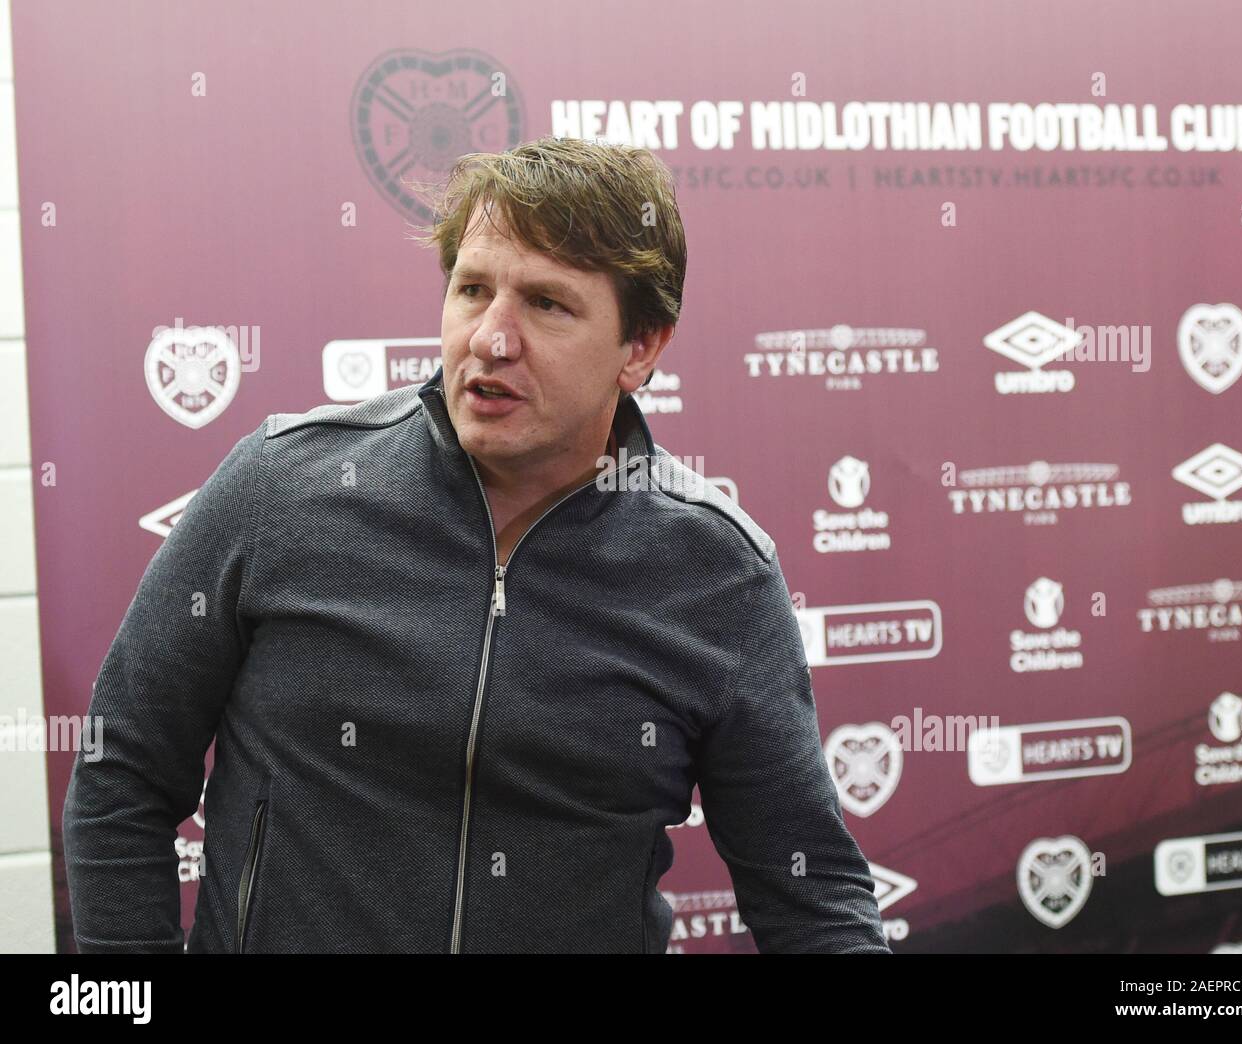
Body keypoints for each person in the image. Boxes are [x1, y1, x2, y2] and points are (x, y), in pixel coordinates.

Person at [61, 136, 891, 954]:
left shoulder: (717, 576)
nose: (491, 339)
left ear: (639, 348)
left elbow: (811, 893)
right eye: (472, 290)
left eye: (547, 303)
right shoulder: (284, 487)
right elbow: (122, 770)